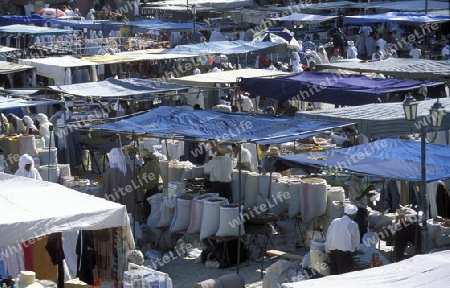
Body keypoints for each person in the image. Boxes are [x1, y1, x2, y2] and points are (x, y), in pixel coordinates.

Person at [325, 204, 360, 275]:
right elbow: (356, 242)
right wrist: (356, 250)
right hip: (345, 255)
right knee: (345, 277)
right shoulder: (353, 224)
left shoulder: (334, 221)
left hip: (333, 254)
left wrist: (327, 250)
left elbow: (328, 237)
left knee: (334, 276)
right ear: (354, 215)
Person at [348, 174, 375, 242]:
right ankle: (360, 246)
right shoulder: (354, 182)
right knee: (361, 229)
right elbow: (357, 198)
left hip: (361, 208)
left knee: (363, 228)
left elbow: (361, 194)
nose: (364, 175)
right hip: (358, 208)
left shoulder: (358, 181)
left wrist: (368, 194)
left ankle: (361, 245)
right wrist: (368, 189)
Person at [138, 148, 162, 220]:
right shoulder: (155, 161)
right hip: (158, 186)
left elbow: (141, 179)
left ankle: (148, 222)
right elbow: (153, 157)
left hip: (151, 189)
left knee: (147, 208)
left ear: (145, 158)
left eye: (143, 158)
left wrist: (138, 171)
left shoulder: (147, 167)